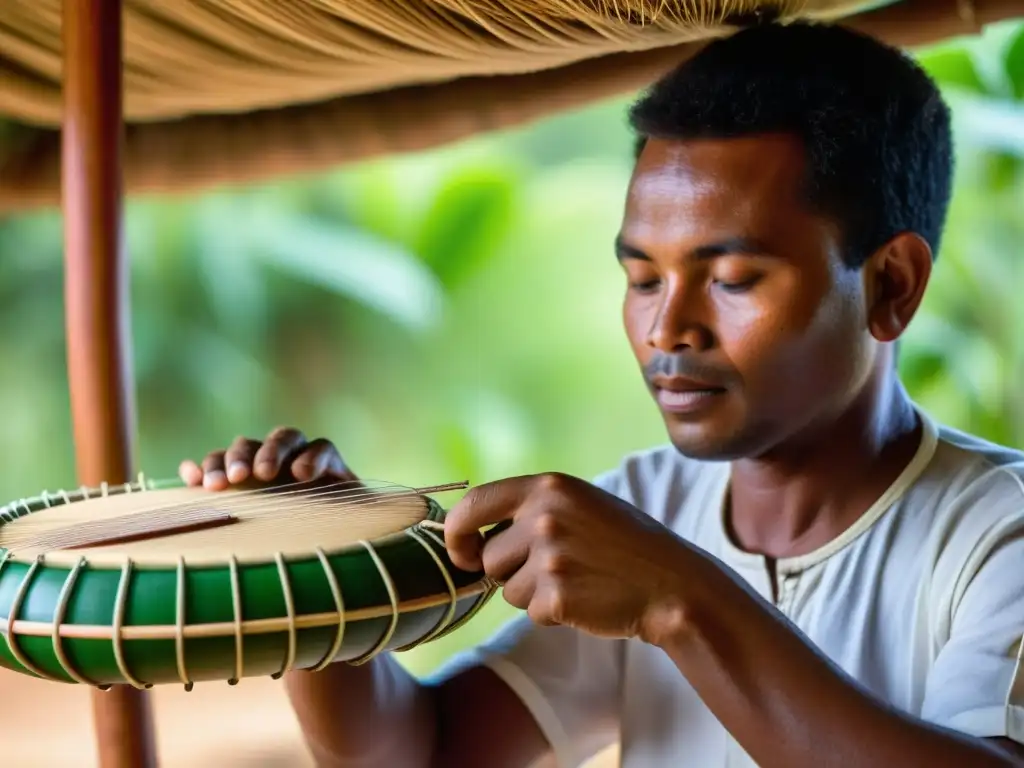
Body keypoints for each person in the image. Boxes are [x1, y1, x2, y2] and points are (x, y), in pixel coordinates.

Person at [179, 21, 1024, 768]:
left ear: (891, 285)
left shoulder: (997, 534)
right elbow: (422, 753)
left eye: (731, 277)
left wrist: (675, 599)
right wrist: (315, 584)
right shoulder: (651, 509)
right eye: (642, 277)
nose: (666, 330)